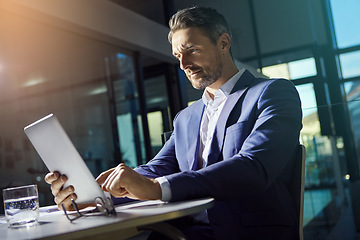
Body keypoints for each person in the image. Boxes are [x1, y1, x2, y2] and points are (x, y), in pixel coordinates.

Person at [45, 6, 302, 240]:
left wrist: (156, 189)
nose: (183, 64)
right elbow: (157, 169)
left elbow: (253, 167)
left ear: (223, 43)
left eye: (191, 50)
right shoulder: (186, 118)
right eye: (178, 55)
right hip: (184, 232)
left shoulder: (273, 93)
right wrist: (96, 195)